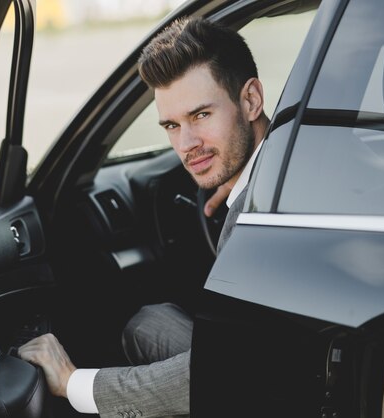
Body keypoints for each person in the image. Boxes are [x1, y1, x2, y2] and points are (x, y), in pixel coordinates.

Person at [18, 16, 270, 417]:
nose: (187, 145)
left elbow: (219, 374)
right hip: (273, 363)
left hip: (291, 393)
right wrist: (246, 177)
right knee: (148, 323)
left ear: (251, 100)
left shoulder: (264, 218)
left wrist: (71, 381)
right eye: (172, 125)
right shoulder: (283, 164)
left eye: (202, 115)